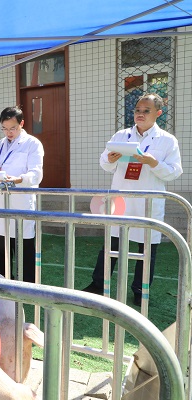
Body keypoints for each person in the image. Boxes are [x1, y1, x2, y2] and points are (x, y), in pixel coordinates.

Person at [82, 93, 182, 306]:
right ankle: (99, 284)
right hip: (121, 198)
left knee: (146, 248)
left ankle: (140, 290)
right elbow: (105, 164)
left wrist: (153, 163)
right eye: (137, 110)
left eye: (146, 111)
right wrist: (109, 159)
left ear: (158, 113)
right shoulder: (121, 135)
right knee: (111, 244)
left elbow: (174, 172)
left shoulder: (167, 140)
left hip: (147, 202)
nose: (140, 114)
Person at [0, 106, 44, 284]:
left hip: (21, 202)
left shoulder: (32, 144)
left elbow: (36, 174)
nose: (8, 133)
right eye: (4, 128)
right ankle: (2, 284)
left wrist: (18, 179)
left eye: (12, 128)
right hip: (0, 201)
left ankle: (26, 288)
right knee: (1, 250)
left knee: (24, 251)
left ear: (22, 124)